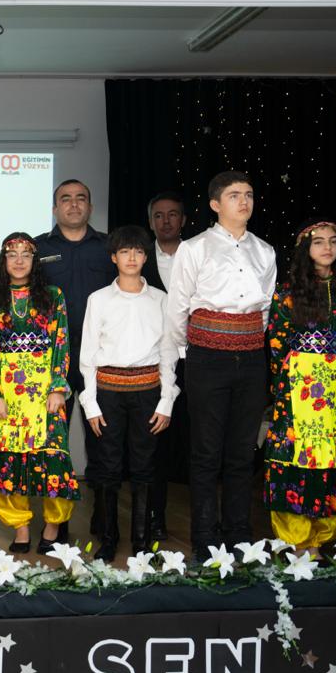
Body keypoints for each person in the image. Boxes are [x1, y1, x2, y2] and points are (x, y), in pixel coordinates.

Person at [165, 171, 277, 563]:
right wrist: (191, 353)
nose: (244, 201)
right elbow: (177, 308)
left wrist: (245, 339)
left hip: (251, 357)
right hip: (206, 357)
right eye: (234, 195)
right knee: (206, 451)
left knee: (243, 451)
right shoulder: (194, 248)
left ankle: (240, 536)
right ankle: (205, 539)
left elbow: (265, 310)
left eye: (248, 194)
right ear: (215, 204)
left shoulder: (265, 251)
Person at [262, 220, 336, 558]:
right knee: (298, 455)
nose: (327, 248)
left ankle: (320, 541)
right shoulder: (289, 292)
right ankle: (299, 543)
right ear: (305, 250)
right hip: (301, 384)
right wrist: (285, 387)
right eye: (318, 242)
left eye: (333, 241)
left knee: (332, 456)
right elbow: (277, 343)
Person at [0, 233, 79, 553]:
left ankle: (52, 528)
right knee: (8, 463)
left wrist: (58, 387)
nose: (19, 260)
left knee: (53, 462)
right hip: (7, 393)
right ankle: (20, 529)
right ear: (3, 261)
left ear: (35, 260)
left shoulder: (53, 296)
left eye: (25, 254)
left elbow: (61, 343)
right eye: (12, 254)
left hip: (44, 392)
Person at [78, 226, 178, 560]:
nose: (131, 257)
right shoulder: (99, 300)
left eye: (137, 251)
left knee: (145, 467)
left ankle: (141, 541)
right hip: (108, 393)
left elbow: (168, 352)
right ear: (113, 258)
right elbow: (88, 355)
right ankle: (108, 539)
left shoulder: (161, 300)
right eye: (124, 252)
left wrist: (166, 400)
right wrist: (90, 404)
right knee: (107, 467)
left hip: (148, 392)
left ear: (145, 257)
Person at [33, 179, 115, 540]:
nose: (74, 204)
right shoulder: (37, 248)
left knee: (103, 442)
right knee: (53, 444)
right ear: (55, 209)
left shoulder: (109, 247)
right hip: (53, 362)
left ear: (90, 207)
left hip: (102, 358)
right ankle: (57, 523)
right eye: (65, 199)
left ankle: (104, 519)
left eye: (81, 198)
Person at [143, 191, 190, 541]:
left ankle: (203, 526)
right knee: (154, 446)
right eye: (158, 215)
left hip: (198, 361)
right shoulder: (139, 259)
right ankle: (154, 519)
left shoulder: (200, 255)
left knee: (197, 444)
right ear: (150, 222)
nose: (166, 221)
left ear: (183, 220)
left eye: (172, 214)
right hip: (153, 362)